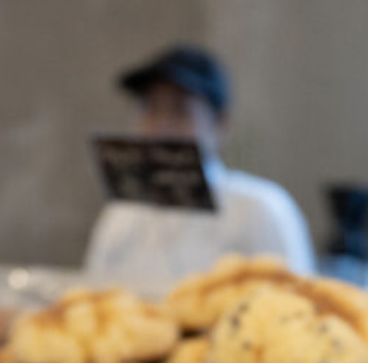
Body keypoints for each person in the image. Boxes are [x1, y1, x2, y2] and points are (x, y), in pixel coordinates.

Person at [83, 45, 315, 288]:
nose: (162, 125)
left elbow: (298, 301)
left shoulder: (261, 209)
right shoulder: (121, 214)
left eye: (180, 110)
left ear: (220, 123)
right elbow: (94, 293)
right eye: (150, 107)